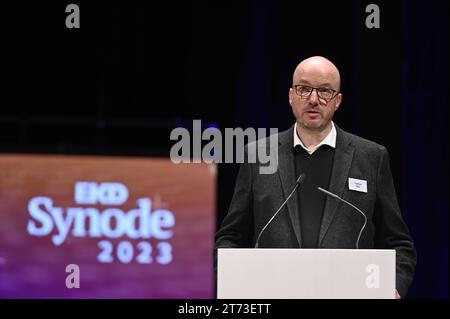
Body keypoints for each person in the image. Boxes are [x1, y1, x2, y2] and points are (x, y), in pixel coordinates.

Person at [215, 56, 416, 298]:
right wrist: (232, 282)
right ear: (291, 95)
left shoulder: (372, 157)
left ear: (338, 100)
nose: (313, 99)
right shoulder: (259, 155)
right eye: (304, 89)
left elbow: (399, 244)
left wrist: (393, 287)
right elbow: (230, 237)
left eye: (324, 91)